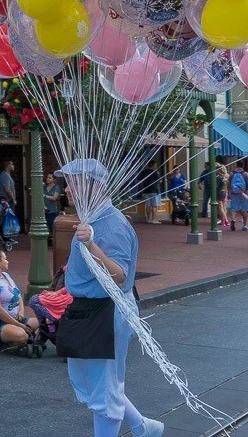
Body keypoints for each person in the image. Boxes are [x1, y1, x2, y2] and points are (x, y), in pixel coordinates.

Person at [59, 159, 162, 437]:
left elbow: (118, 274)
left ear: (95, 186)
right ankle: (144, 427)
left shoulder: (111, 224)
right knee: (95, 382)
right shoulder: (92, 218)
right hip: (90, 307)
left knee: (104, 390)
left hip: (107, 311)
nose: (66, 188)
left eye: (74, 181)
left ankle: (141, 427)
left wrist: (91, 244)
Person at [0, 246, 39, 346]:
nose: (7, 261)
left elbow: (17, 295)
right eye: (5, 259)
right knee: (21, 335)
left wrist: (21, 311)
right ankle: (27, 339)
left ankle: (34, 341)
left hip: (15, 319)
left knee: (46, 322)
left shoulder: (6, 275)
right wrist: (19, 325)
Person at [228, 164, 248, 231]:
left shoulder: (232, 173)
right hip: (244, 193)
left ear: (236, 165)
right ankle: (244, 225)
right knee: (244, 209)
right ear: (243, 165)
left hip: (234, 193)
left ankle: (233, 219)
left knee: (233, 208)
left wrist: (229, 191)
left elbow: (228, 182)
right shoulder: (245, 174)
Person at [44, 173, 62, 244]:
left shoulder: (56, 187)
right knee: (46, 226)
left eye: (50, 178)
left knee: (52, 225)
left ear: (54, 179)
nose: (47, 179)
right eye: (47, 177)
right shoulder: (44, 187)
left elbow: (54, 198)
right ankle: (48, 240)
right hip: (44, 209)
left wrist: (44, 196)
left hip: (53, 209)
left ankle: (55, 241)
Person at [214, 165, 230, 230]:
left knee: (220, 208)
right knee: (224, 207)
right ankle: (224, 221)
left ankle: (225, 220)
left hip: (219, 193)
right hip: (224, 192)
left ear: (219, 170)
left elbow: (216, 186)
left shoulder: (218, 178)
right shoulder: (226, 177)